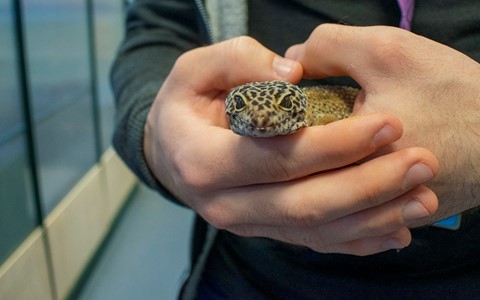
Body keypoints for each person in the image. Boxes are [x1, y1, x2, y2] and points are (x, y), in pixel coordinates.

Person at [111, 1, 480, 298]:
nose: (260, 119)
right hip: (244, 278)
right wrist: (154, 133)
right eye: (242, 109)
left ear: (298, 109)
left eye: (282, 110)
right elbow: (157, 29)